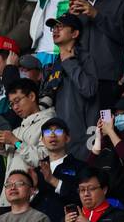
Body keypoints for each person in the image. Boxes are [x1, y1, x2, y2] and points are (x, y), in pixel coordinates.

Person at [40, 15, 98, 156]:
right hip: (57, 136)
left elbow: (89, 90)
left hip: (82, 139)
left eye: (60, 27)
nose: (55, 30)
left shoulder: (84, 57)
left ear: (75, 33)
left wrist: (69, 62)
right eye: (53, 27)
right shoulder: (53, 64)